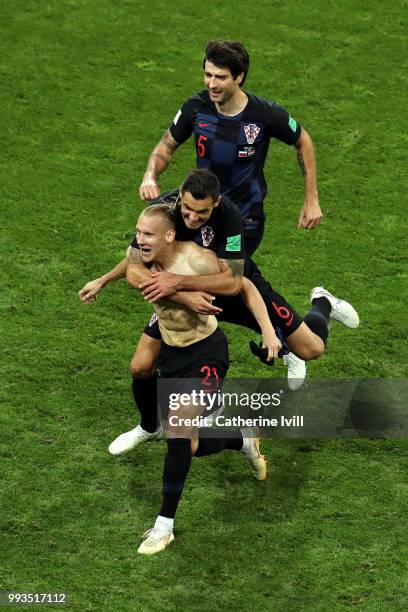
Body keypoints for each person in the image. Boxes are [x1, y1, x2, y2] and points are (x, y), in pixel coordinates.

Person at [79, 170, 359, 455]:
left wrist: (180, 283)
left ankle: (323, 302)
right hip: (189, 302)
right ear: (180, 196)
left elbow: (235, 282)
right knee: (140, 366)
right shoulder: (164, 211)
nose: (191, 217)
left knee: (311, 349)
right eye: (187, 208)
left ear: (216, 203)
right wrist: (113, 281)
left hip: (235, 293)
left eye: (201, 212)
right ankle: (150, 427)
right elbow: (136, 265)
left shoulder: (230, 217)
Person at [131, 203, 277, 554]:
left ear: (169, 236)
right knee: (189, 444)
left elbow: (243, 285)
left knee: (179, 431)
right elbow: (132, 270)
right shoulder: (143, 254)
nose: (139, 240)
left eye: (147, 234)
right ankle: (241, 438)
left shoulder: (196, 259)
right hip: (172, 351)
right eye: (138, 232)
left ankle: (164, 526)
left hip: (206, 354)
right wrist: (103, 281)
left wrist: (269, 331)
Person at [139, 39, 322, 258]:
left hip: (245, 218)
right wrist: (150, 176)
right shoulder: (196, 107)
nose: (212, 84)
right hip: (202, 213)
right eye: (208, 75)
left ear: (239, 77)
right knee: (171, 270)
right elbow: (166, 146)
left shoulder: (264, 114)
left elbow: (303, 141)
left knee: (219, 281)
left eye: (221, 77)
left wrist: (311, 199)